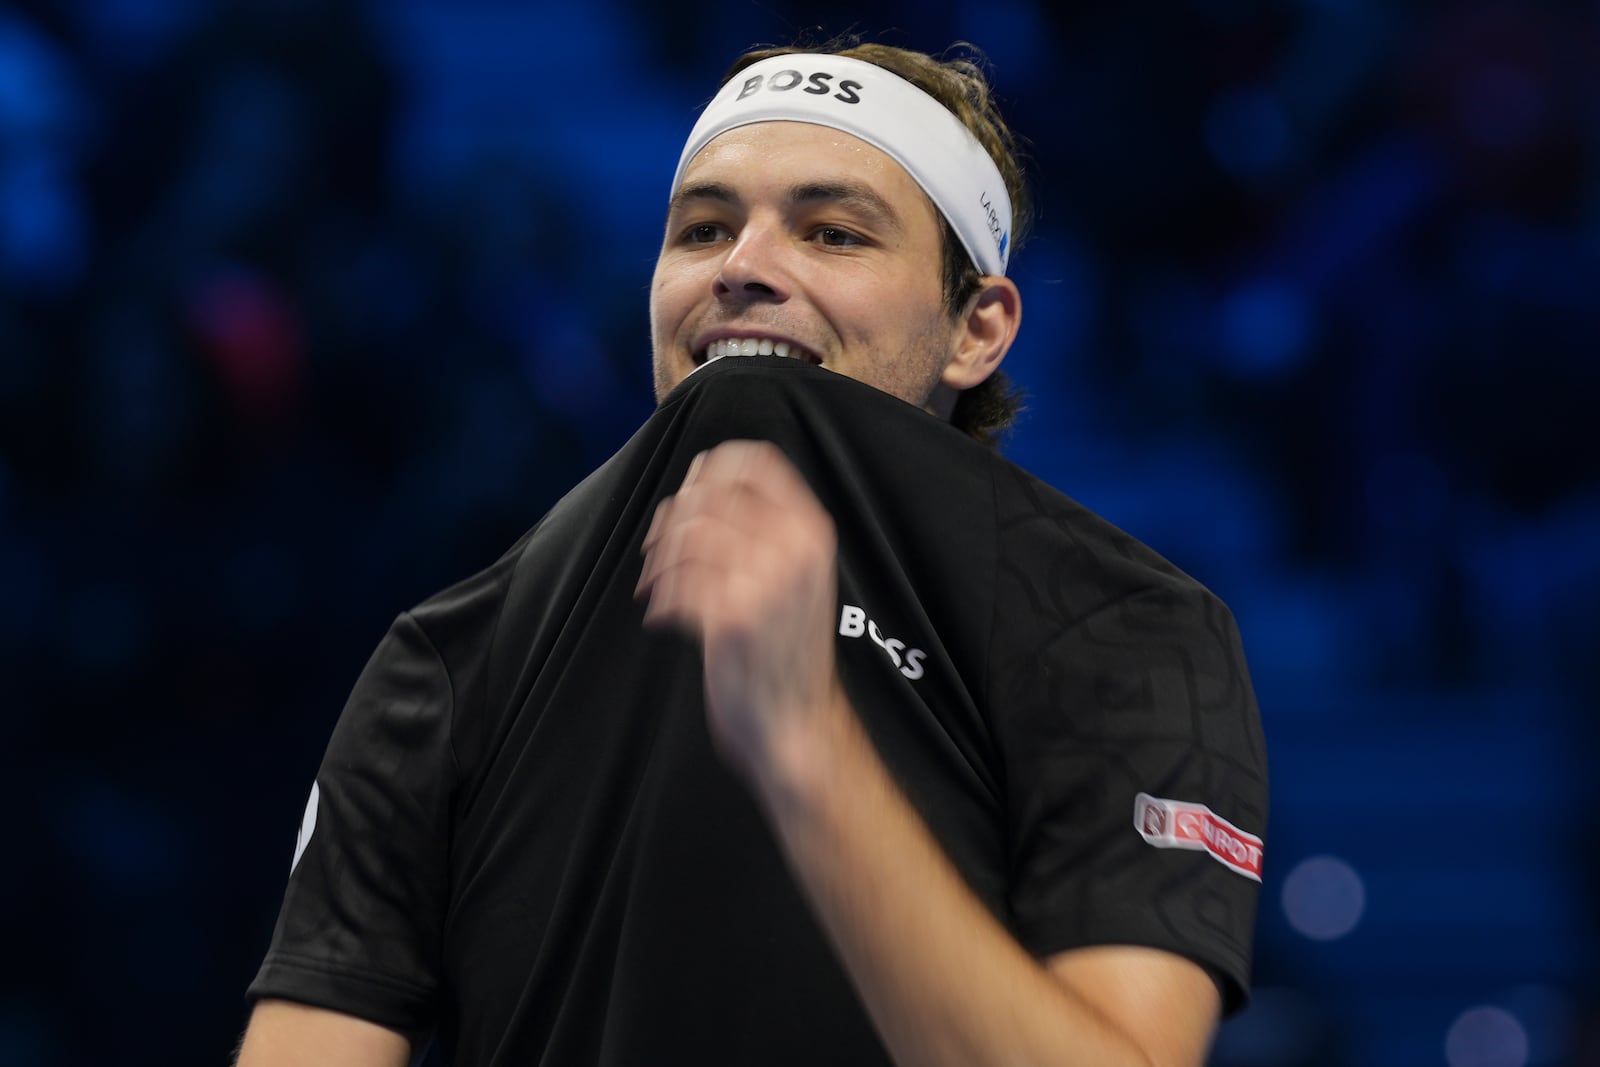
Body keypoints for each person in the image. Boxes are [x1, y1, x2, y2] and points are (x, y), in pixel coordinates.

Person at [237, 39, 1268, 1067]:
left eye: (832, 233)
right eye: (703, 228)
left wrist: (804, 745)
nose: (741, 269)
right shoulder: (451, 653)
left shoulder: (1124, 627)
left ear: (975, 329)